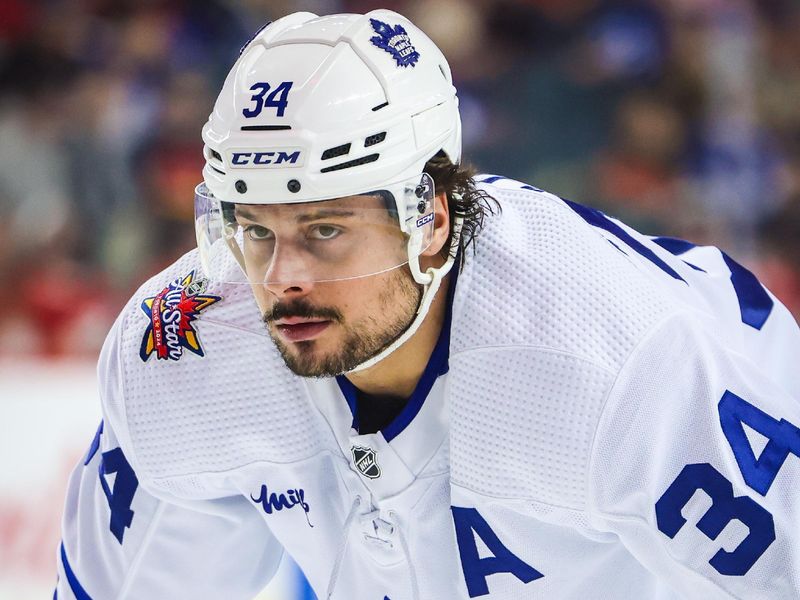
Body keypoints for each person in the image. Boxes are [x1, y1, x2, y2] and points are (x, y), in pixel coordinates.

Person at [56, 9, 800, 600]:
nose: (282, 277)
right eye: (253, 228)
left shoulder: (609, 357)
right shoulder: (185, 344)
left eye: (324, 229)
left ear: (431, 218)